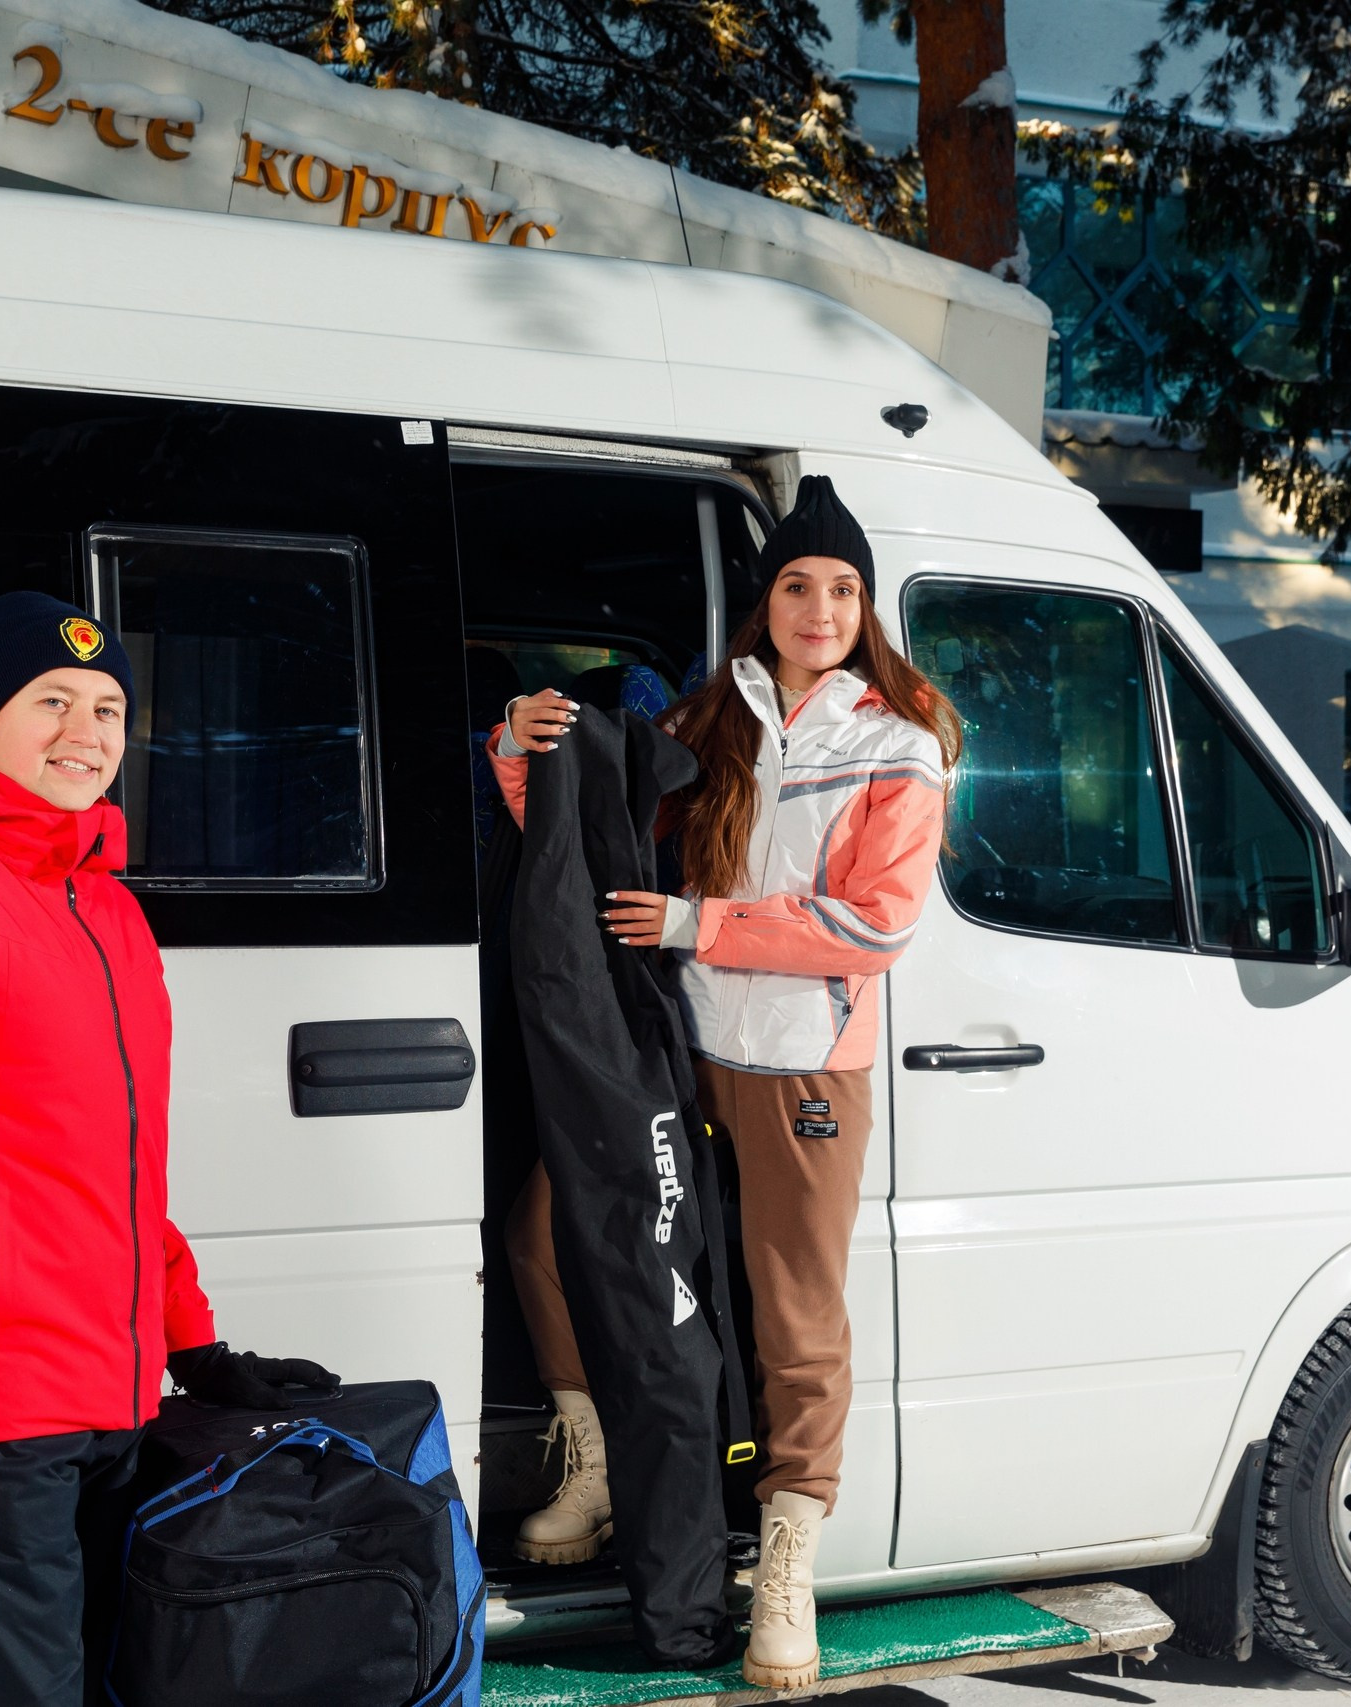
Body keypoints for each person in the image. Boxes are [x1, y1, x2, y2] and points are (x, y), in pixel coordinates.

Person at [0, 591, 336, 1705]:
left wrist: (193, 1347)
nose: (87, 733)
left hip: (111, 1409)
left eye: (110, 708)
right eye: (54, 701)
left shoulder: (107, 913)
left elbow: (116, 1174)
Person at [491, 477, 960, 1691]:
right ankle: (595, 1458)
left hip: (803, 1066)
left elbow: (874, 926)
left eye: (842, 590)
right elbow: (594, 823)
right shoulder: (714, 721)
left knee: (790, 1312)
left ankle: (787, 1564)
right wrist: (519, 747)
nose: (819, 608)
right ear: (765, 602)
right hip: (678, 1047)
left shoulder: (895, 745)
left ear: (866, 611)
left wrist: (702, 925)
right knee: (553, 1231)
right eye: (798, 585)